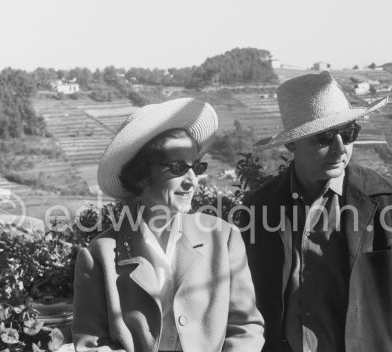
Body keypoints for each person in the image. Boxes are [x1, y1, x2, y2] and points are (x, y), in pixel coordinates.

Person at [240, 73, 392, 352]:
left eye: (349, 133)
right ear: (291, 144)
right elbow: (243, 298)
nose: (340, 148)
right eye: (325, 137)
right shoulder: (258, 208)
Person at [73, 98, 264, 352]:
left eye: (197, 167)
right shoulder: (99, 256)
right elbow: (92, 344)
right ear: (140, 176)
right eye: (177, 168)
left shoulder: (223, 238)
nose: (193, 181)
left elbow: (246, 328)